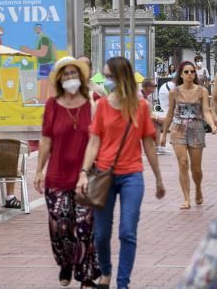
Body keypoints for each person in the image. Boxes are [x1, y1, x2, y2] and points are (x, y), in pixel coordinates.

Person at [76, 56, 165, 289]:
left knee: (127, 231)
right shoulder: (102, 105)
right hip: (104, 174)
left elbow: (148, 144)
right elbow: (94, 142)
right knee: (102, 234)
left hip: (132, 176)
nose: (107, 81)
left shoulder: (141, 106)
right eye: (105, 76)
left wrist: (158, 178)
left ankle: (122, 283)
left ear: (121, 77)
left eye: (109, 76)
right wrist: (84, 172)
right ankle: (105, 272)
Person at [34, 57, 99, 287]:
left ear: (80, 77)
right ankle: (66, 262)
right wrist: (39, 170)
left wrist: (87, 171)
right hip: (57, 176)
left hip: (85, 176)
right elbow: (46, 139)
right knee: (60, 226)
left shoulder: (92, 102)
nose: (70, 78)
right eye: (65, 74)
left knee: (84, 227)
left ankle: (86, 275)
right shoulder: (52, 105)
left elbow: (97, 139)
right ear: (59, 78)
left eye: (74, 73)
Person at [161, 61, 217, 209]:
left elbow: (206, 111)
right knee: (183, 164)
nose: (189, 74)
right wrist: (163, 135)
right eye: (186, 72)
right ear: (181, 74)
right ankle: (186, 198)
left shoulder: (202, 91)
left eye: (192, 71)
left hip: (196, 129)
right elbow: (169, 113)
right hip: (178, 129)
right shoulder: (174, 92)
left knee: (196, 169)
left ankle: (198, 188)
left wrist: (212, 124)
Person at [20, 23, 57, 104]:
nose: (37, 29)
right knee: (49, 84)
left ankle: (42, 100)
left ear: (41, 29)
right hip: (49, 64)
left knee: (46, 83)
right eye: (36, 28)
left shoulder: (44, 38)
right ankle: (44, 100)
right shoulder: (44, 38)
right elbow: (53, 50)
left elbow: (42, 53)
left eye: (38, 28)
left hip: (46, 64)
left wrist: (27, 50)